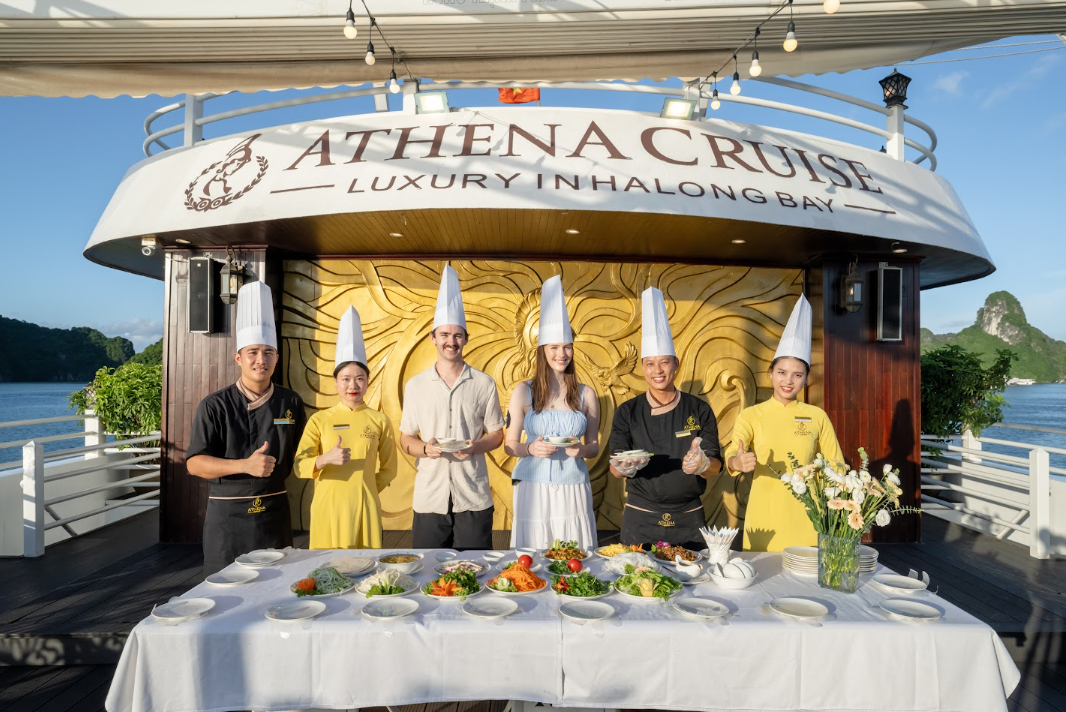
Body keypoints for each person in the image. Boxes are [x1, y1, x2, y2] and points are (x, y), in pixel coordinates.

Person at [186, 282, 306, 576]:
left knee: (278, 585)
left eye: (268, 352)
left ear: (277, 358)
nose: (261, 360)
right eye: (253, 352)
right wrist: (245, 465)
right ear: (238, 358)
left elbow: (303, 453)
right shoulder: (215, 405)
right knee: (227, 590)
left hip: (274, 512)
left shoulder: (290, 402)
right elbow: (194, 464)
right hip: (228, 517)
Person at [722, 295, 846, 552]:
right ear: (771, 374)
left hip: (809, 514)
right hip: (764, 513)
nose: (788, 381)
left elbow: (836, 465)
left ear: (806, 379)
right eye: (781, 372)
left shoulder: (817, 416)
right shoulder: (751, 415)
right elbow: (734, 451)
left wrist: (839, 503)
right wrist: (737, 462)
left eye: (797, 375)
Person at [398, 265, 505, 550]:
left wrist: (474, 447)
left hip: (473, 495)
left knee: (475, 567)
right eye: (444, 334)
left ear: (466, 339)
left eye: (457, 335)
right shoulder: (416, 386)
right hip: (429, 498)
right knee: (428, 568)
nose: (451, 342)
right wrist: (425, 449)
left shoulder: (483, 383)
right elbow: (406, 438)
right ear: (433, 338)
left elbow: (497, 434)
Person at [607, 287, 722, 551]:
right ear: (642, 367)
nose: (657, 371)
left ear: (676, 364)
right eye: (650, 364)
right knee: (637, 577)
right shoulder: (627, 411)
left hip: (688, 518)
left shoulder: (699, 409)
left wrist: (702, 463)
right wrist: (627, 467)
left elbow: (716, 467)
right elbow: (615, 469)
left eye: (664, 363)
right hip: (640, 519)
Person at [504, 275, 600, 549]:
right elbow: (510, 445)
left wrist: (580, 451)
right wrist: (530, 448)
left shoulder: (586, 394)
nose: (562, 354)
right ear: (542, 351)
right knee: (533, 552)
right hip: (532, 485)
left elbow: (594, 446)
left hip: (573, 485)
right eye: (554, 347)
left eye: (567, 347)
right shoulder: (524, 391)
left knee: (574, 552)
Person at [293, 306, 398, 549]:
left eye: (360, 378)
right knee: (327, 566)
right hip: (328, 505)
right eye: (346, 379)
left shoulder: (380, 420)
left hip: (365, 506)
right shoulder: (320, 419)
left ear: (368, 381)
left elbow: (390, 469)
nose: (353, 385)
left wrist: (366, 488)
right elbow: (299, 465)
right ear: (336, 382)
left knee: (365, 565)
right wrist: (325, 459)